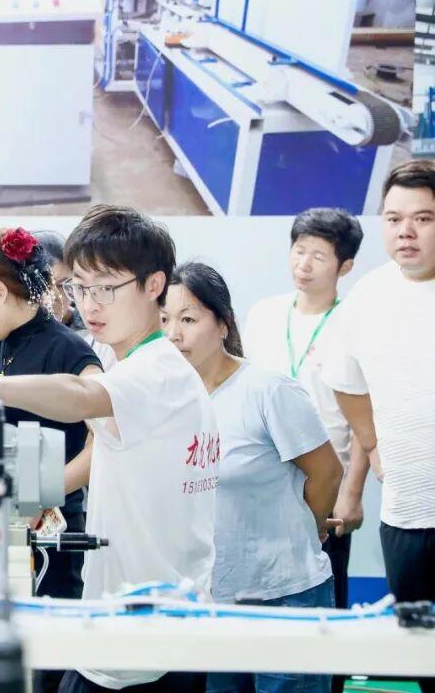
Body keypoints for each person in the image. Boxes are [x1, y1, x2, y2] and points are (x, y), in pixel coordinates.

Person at [0, 206, 216, 692]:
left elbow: (80, 396)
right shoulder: (137, 366)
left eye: (106, 289)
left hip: (144, 624)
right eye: (80, 288)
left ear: (154, 284)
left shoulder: (156, 371)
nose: (90, 304)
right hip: (143, 613)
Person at [163, 261, 343, 693]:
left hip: (286, 593)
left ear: (223, 324)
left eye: (188, 319)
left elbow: (327, 473)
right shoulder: (172, 401)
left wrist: (306, 527)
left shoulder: (267, 390)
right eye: (164, 320)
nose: (173, 334)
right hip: (214, 599)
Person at [321, 160, 435, 624]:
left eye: (423, 218)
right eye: (394, 218)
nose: (406, 231)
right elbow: (345, 382)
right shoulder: (368, 296)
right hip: (406, 512)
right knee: (415, 645)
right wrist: (372, 444)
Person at [242, 207, 363, 618]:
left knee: (325, 600)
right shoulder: (264, 314)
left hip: (326, 482)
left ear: (345, 266)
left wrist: (351, 494)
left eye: (319, 256)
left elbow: (364, 419)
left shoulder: (354, 322)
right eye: (299, 250)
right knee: (255, 599)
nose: (304, 264)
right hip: (261, 481)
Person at [34, 230, 117, 370]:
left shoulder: (97, 336)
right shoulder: (6, 338)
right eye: (42, 286)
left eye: (62, 285)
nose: (52, 297)